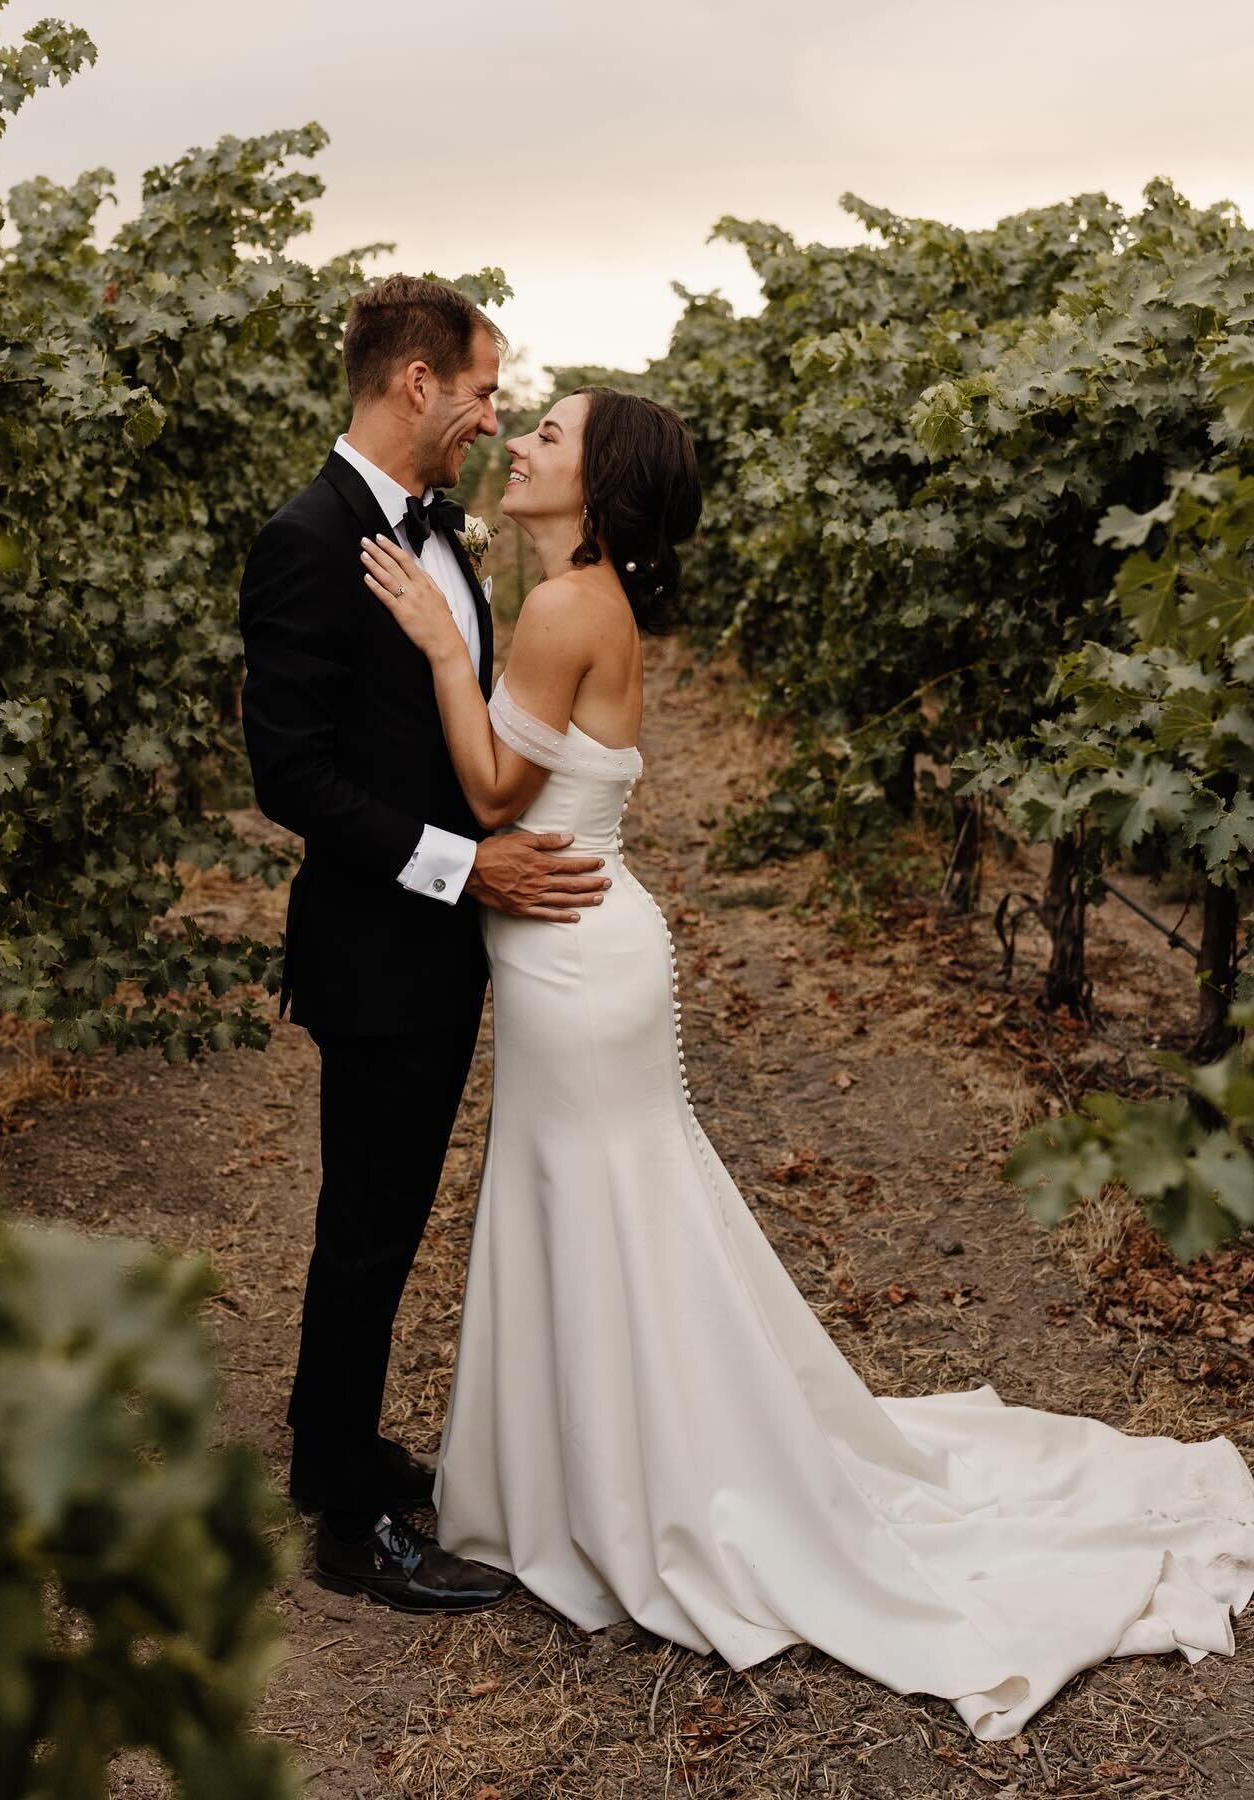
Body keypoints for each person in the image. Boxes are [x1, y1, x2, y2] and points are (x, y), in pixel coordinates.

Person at [358, 382, 1254, 1740]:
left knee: (607, 1210)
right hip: (570, 948)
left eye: (553, 435)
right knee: (602, 1206)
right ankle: (593, 1480)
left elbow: (491, 797)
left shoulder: (560, 607)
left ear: (598, 490)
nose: (523, 441)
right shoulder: (576, 599)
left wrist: (434, 644)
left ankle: (622, 1493)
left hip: (577, 959)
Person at [238, 275, 611, 1613]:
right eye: (483, 389)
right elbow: (290, 773)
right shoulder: (306, 536)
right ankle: (349, 1520)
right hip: (383, 949)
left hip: (445, 944)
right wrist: (466, 869)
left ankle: (341, 1446)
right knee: (366, 1229)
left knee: (386, 1220)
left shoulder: (442, 535)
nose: (490, 416)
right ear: (416, 382)